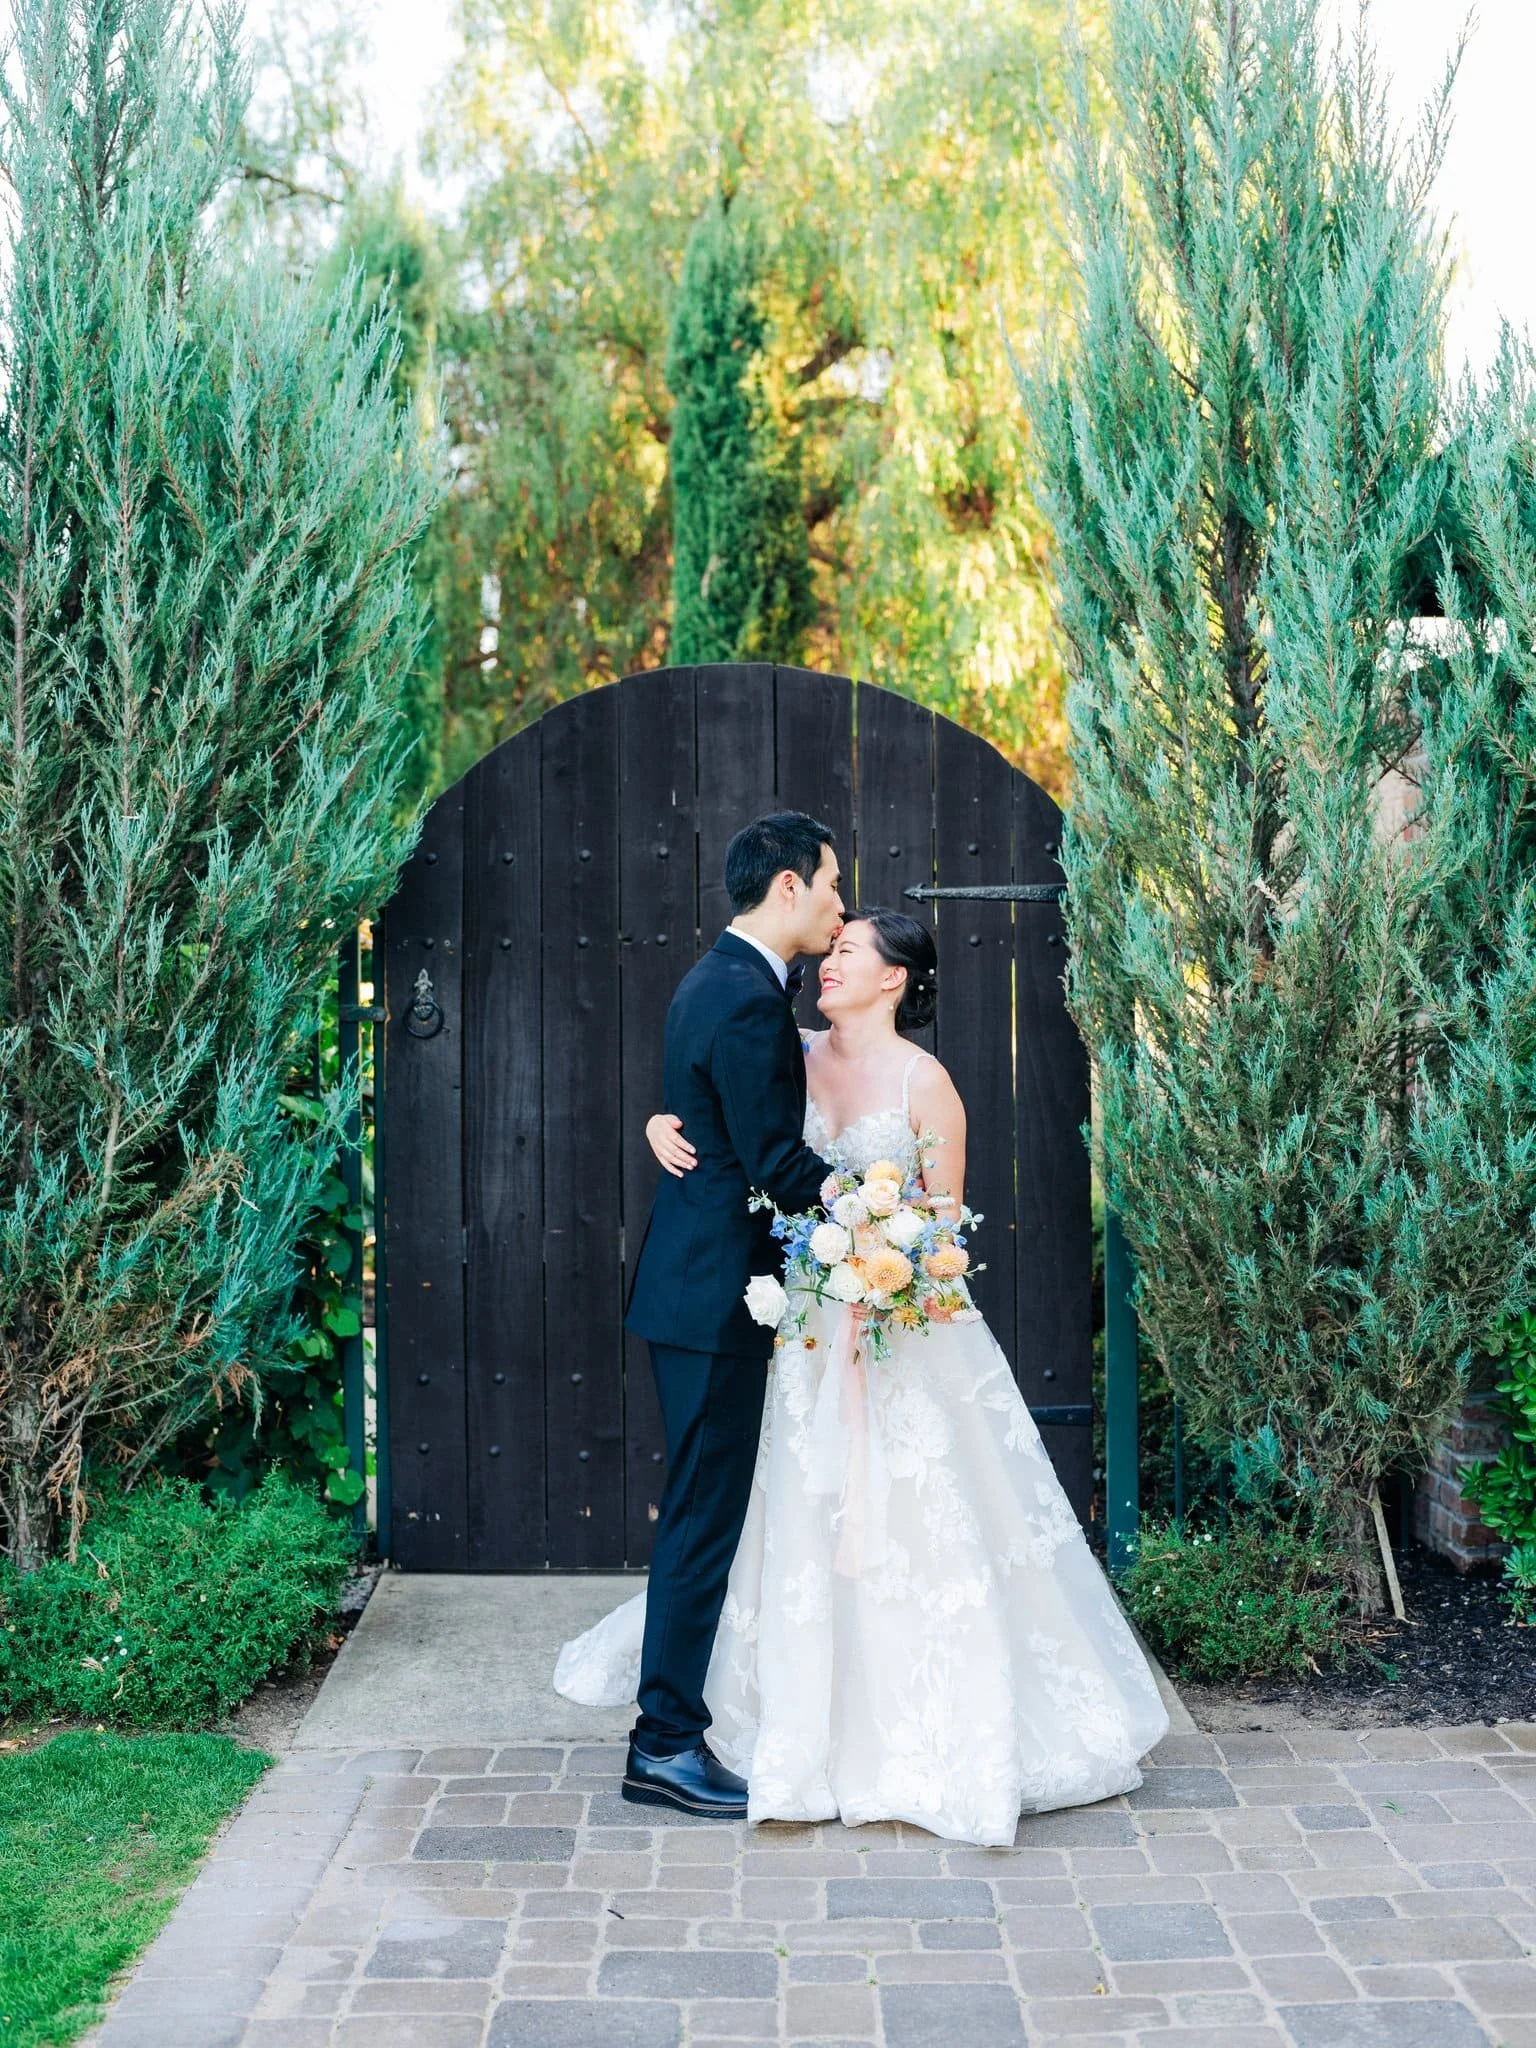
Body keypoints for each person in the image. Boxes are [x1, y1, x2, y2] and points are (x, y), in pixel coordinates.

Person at [558, 905, 1170, 1847]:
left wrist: (883, 1261)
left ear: (894, 978)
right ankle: (794, 1712)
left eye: (848, 953)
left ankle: (917, 1723)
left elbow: (946, 1231)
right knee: (797, 1512)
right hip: (803, 1331)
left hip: (902, 1336)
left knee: (921, 1521)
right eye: (829, 946)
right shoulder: (786, 1051)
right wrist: (656, 1119)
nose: (827, 963)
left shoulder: (929, 1086)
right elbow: (721, 1109)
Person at [616, 811, 844, 1820]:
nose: (841, 903)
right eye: (833, 883)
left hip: (695, 1288)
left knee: (701, 1512)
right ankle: (664, 1741)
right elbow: (778, 1164)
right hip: (715, 1298)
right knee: (702, 1519)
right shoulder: (747, 1000)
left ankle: (667, 1731)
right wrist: (888, 1210)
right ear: (787, 886)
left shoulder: (715, 979)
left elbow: (700, 1119)